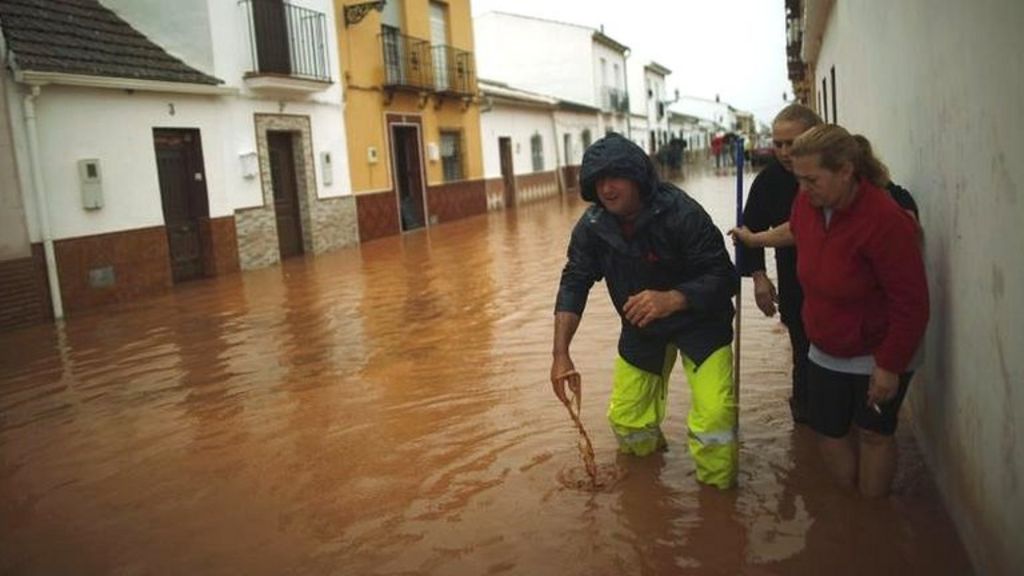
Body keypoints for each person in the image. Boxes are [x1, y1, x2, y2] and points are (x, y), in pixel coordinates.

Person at [731, 125, 929, 498]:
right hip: (826, 345)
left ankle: (869, 516)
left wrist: (889, 365)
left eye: (811, 180)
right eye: (798, 179)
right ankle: (847, 508)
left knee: (873, 434)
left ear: (845, 172)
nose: (803, 189)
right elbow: (797, 230)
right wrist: (755, 240)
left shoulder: (885, 220)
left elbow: (912, 302)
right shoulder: (809, 202)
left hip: (878, 348)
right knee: (827, 432)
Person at [550, 132, 740, 490]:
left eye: (615, 177)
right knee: (627, 421)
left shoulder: (683, 214)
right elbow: (574, 282)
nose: (607, 189)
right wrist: (561, 354)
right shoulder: (592, 227)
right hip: (642, 328)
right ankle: (647, 489)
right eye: (598, 181)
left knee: (714, 419)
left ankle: (717, 507)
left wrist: (672, 299)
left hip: (701, 323)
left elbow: (724, 277)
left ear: (637, 176)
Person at [735, 104, 823, 425]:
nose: (785, 152)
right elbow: (750, 231)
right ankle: (806, 428)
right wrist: (759, 278)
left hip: (842, 283)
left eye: (792, 143)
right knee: (803, 352)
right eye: (778, 144)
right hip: (795, 281)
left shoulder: (839, 170)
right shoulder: (769, 180)